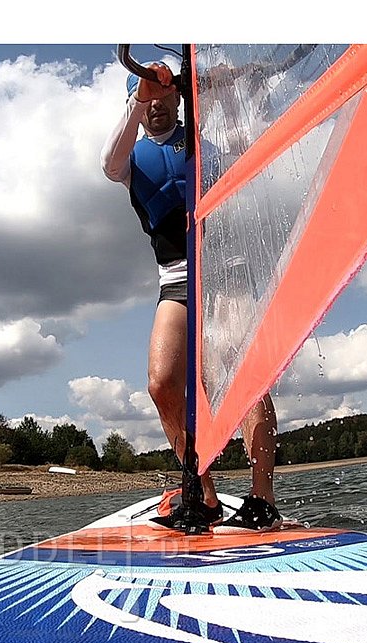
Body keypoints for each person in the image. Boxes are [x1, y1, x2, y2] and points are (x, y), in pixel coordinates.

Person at [100, 60, 281, 534]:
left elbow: (246, 143)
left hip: (225, 272)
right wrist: (143, 93)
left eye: (165, 99)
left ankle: (262, 498)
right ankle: (202, 494)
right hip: (174, 280)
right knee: (162, 384)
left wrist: (226, 82)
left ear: (179, 100)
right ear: (136, 104)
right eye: (146, 101)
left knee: (240, 375)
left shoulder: (204, 143)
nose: (156, 107)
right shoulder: (128, 158)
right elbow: (107, 164)